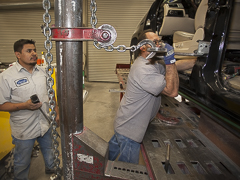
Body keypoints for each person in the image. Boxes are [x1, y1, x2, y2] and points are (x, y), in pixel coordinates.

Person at [108, 29, 179, 164]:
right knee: (128, 172)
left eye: (160, 41)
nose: (159, 45)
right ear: (142, 46)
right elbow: (172, 92)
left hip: (123, 124)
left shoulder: (151, 62)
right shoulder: (143, 69)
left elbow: (177, 66)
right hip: (130, 132)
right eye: (155, 42)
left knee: (106, 160)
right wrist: (170, 61)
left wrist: (195, 62)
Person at [0, 39, 59, 179]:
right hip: (24, 130)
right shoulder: (6, 77)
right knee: (22, 161)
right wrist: (24, 106)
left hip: (45, 123)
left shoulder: (43, 72)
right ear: (18, 54)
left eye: (34, 50)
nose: (34, 53)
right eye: (29, 51)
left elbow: (50, 92)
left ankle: (52, 169)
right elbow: (1, 105)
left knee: (50, 150)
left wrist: (56, 109)